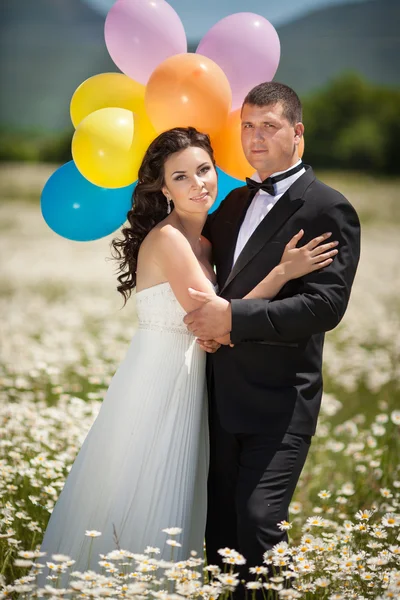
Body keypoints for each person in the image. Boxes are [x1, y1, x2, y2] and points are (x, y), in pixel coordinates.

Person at [34, 126, 338, 586]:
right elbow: (213, 326)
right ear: (162, 187)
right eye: (181, 177)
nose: (199, 184)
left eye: (204, 169)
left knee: (179, 499)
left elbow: (221, 319)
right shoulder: (172, 240)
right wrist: (280, 273)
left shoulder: (207, 241)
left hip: (192, 379)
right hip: (160, 381)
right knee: (144, 489)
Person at [183, 82, 361, 576]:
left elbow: (324, 306)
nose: (255, 138)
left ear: (297, 133)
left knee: (260, 524)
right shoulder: (230, 204)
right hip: (217, 397)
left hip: (280, 402)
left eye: (269, 126)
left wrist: (232, 319)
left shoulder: (328, 207)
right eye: (247, 126)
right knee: (218, 535)